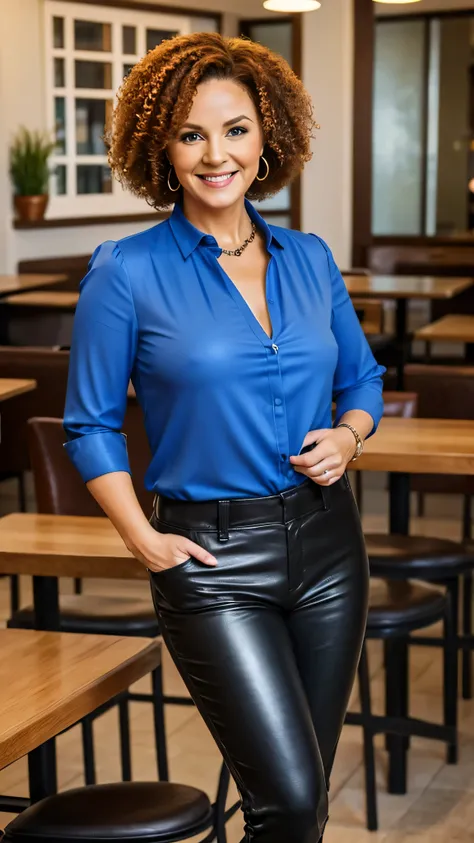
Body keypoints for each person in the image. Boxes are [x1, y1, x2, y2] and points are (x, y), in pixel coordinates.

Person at [63, 32, 385, 843]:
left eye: (236, 129)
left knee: (300, 799)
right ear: (160, 147)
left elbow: (364, 382)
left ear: (266, 135)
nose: (217, 155)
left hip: (329, 547)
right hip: (212, 563)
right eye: (191, 133)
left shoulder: (310, 259)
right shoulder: (125, 271)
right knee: (288, 800)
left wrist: (349, 438)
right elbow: (90, 424)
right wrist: (144, 539)